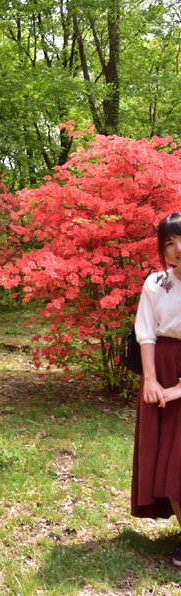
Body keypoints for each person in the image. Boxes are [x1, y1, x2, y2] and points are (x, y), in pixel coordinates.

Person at [133, 211, 181, 566]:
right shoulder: (155, 283)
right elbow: (146, 332)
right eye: (169, 243)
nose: (177, 249)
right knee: (165, 457)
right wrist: (151, 380)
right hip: (161, 368)